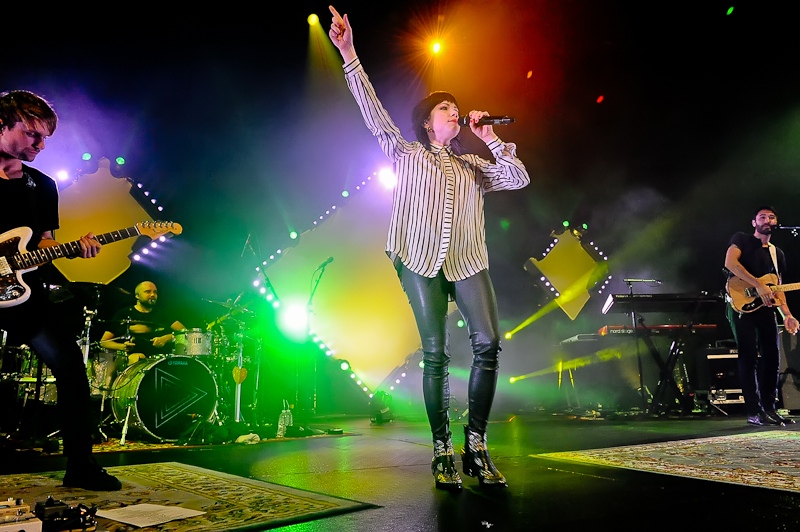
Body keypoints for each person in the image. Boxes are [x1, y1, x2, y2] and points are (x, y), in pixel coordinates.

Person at [328, 6, 530, 490]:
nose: (454, 112)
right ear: (426, 121)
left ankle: (476, 445)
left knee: (488, 344)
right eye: (445, 108)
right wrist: (349, 51)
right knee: (436, 353)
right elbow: (371, 109)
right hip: (418, 259)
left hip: (467, 261)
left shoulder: (471, 166)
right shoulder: (406, 152)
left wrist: (490, 138)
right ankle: (441, 449)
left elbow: (519, 177)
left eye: (457, 108)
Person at [0, 90, 121, 490]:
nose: (41, 144)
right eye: (32, 133)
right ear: (2, 124)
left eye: (45, 137)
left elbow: (45, 243)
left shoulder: (42, 185)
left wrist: (76, 247)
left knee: (71, 367)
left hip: (25, 293)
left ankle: (81, 467)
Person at [725, 206, 799, 426]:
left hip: (767, 308)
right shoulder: (742, 240)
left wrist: (787, 314)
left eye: (772, 217)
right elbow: (730, 263)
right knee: (748, 356)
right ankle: (753, 410)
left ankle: (770, 407)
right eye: (762, 217)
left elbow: (777, 287)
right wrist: (758, 284)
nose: (767, 220)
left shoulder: (777, 254)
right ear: (754, 223)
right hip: (741, 305)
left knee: (773, 357)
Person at [100, 281, 185, 365]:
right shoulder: (124, 313)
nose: (152, 295)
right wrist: (123, 347)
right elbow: (104, 342)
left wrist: (166, 338)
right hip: (133, 361)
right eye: (148, 292)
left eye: (155, 292)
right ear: (137, 296)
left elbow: (185, 333)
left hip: (160, 362)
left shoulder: (163, 314)